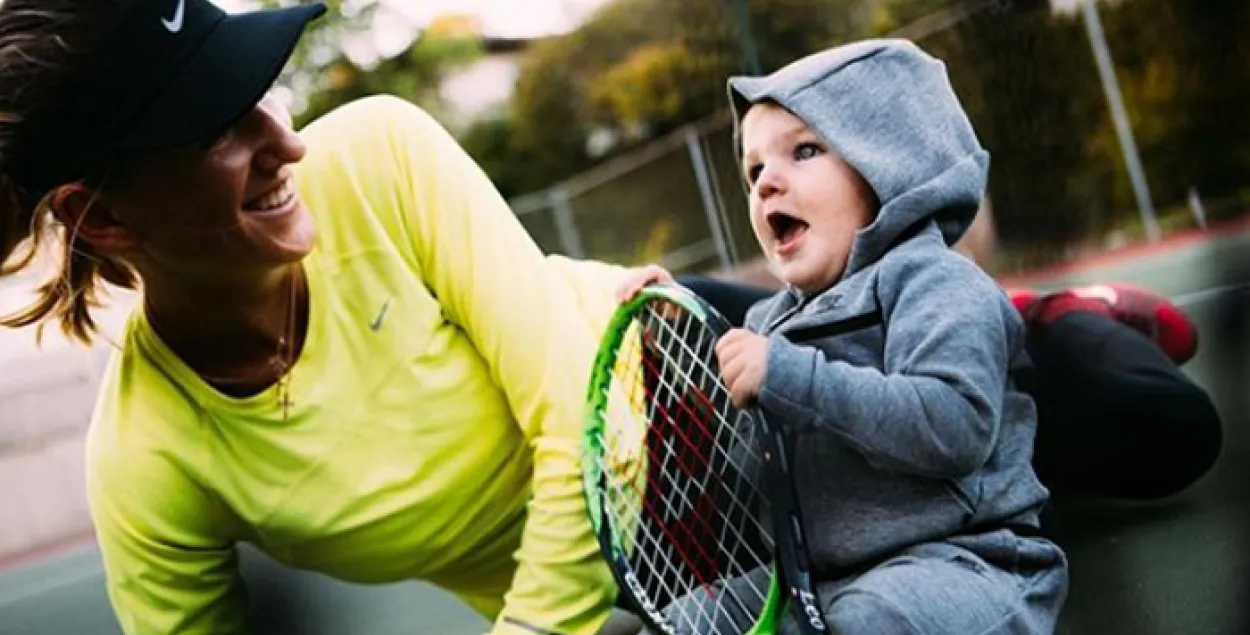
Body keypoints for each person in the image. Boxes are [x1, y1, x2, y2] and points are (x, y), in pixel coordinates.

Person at [0, 1, 634, 633]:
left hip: (688, 394)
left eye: (261, 91)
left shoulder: (381, 152)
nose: (287, 143)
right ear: (106, 219)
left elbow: (587, 426)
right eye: (215, 128)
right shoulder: (144, 462)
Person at [620, 38, 1074, 634]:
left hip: (962, 563)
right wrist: (677, 351)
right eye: (754, 169)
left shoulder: (936, 284)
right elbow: (760, 476)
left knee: (870, 623)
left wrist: (787, 377)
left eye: (804, 150)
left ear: (889, 161)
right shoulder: (767, 325)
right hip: (811, 581)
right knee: (675, 626)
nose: (765, 184)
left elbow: (953, 427)